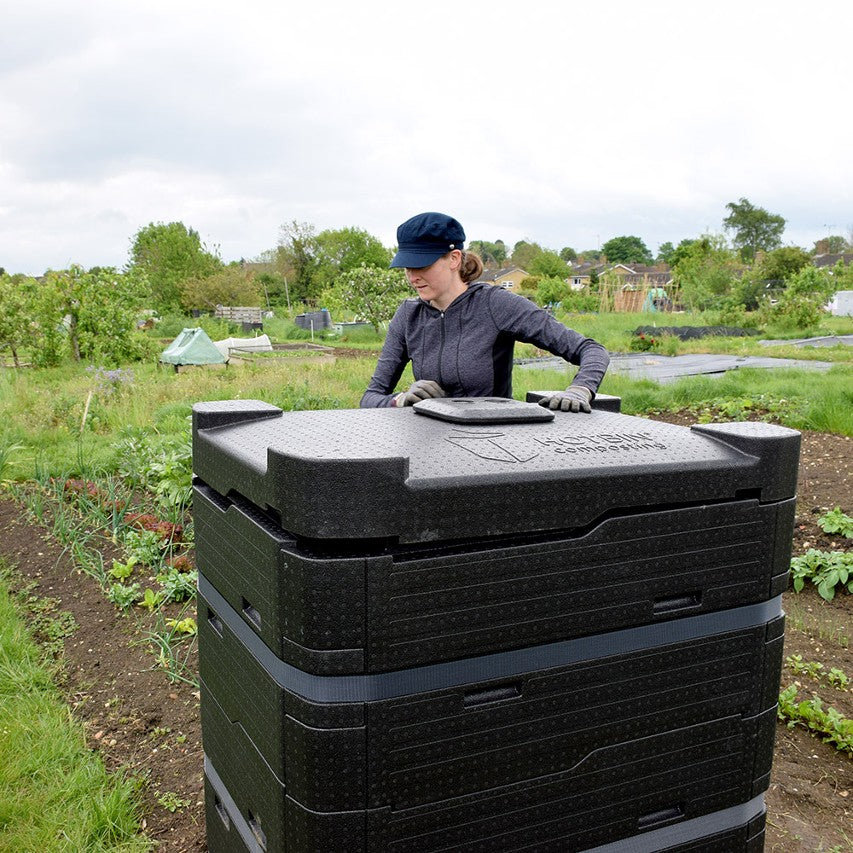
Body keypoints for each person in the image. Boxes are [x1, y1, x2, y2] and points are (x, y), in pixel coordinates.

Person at [360, 212, 609, 412]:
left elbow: (591, 350)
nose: (413, 277)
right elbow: (370, 398)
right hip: (429, 447)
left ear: (454, 259)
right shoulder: (408, 315)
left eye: (421, 266)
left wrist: (580, 390)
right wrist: (400, 400)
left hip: (488, 445)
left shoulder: (495, 304)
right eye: (407, 267)